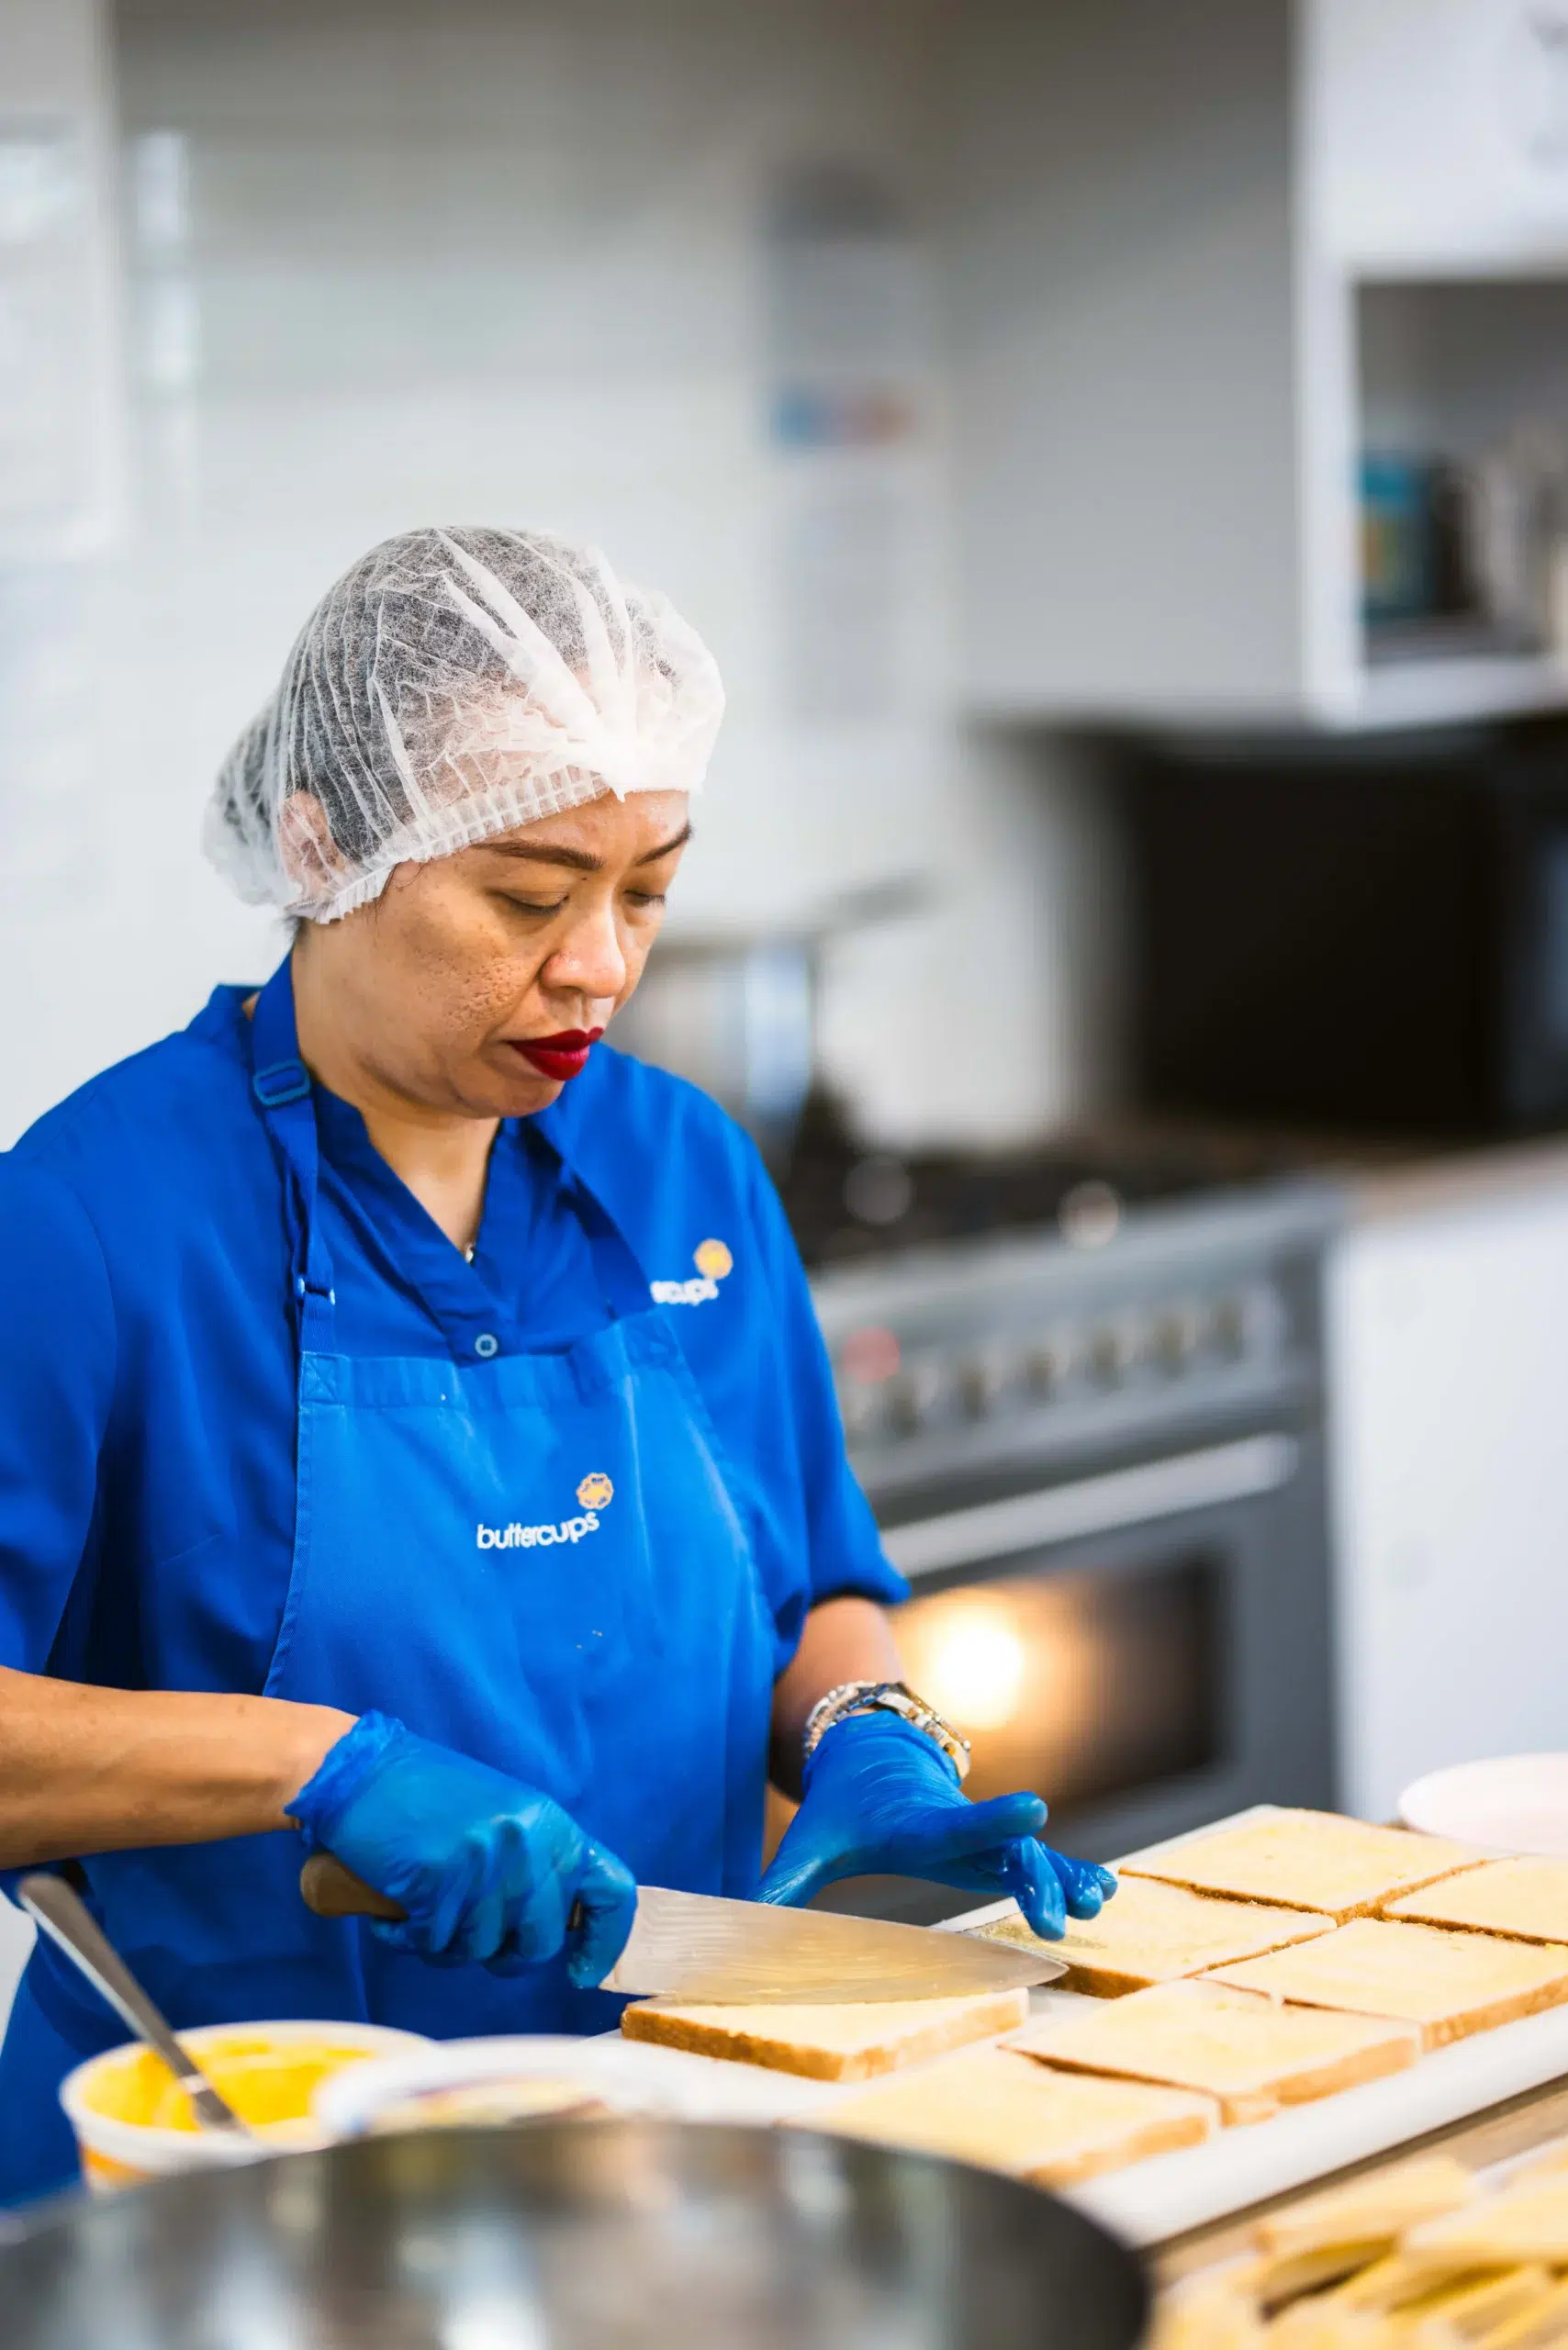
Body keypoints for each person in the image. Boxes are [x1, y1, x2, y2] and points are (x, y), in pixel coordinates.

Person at [0, 527, 1114, 2200]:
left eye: (648, 890)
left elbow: (810, 1587)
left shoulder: (685, 1171)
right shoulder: (90, 1221)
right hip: (228, 2186)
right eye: (527, 895)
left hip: (654, 2152)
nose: (599, 965)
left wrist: (869, 1727)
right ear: (323, 843)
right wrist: (325, 1768)